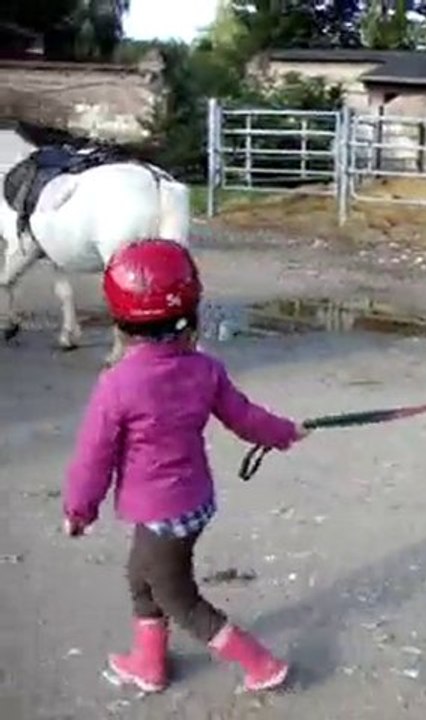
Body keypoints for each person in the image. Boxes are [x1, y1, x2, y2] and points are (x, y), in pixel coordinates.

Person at [62, 238, 310, 694]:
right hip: (195, 503)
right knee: (141, 576)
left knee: (178, 597)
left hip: (161, 512)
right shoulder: (204, 369)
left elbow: (93, 456)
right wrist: (282, 432)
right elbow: (245, 417)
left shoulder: (117, 384)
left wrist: (79, 510)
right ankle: (149, 661)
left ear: (120, 319)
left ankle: (261, 664)